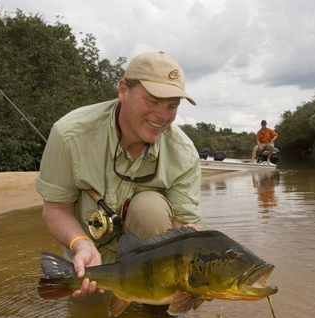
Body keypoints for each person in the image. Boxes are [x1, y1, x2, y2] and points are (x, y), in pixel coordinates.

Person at [35, 51, 201, 298]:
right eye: (153, 101)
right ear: (123, 90)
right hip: (88, 262)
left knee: (150, 208)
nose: (163, 116)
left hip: (151, 273)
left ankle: (154, 304)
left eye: (172, 105)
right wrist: (82, 245)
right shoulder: (68, 135)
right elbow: (56, 210)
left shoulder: (185, 154)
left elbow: (183, 230)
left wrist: (200, 278)